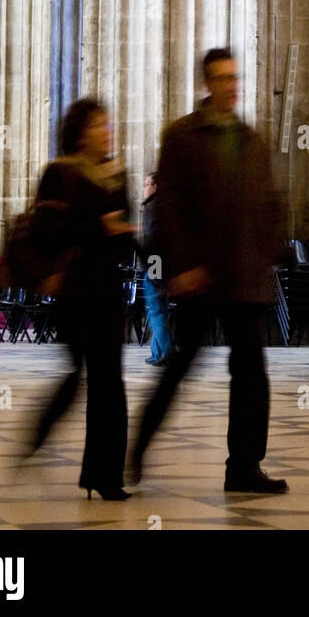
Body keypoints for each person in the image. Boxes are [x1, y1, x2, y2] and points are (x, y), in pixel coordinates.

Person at [130, 48, 288, 494]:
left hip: (244, 276)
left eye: (235, 77)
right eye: (221, 78)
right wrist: (180, 266)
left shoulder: (251, 138)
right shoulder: (181, 136)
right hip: (199, 276)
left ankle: (244, 465)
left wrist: (268, 250)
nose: (230, 86)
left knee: (252, 374)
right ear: (206, 83)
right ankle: (137, 446)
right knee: (180, 366)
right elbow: (168, 208)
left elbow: (267, 202)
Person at [27, 98, 133, 501]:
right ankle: (39, 434)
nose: (107, 131)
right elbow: (48, 231)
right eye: (98, 125)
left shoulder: (117, 173)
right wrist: (98, 226)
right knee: (77, 377)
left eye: (108, 123)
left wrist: (125, 234)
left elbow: (122, 233)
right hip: (75, 291)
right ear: (79, 131)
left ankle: (107, 476)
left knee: (110, 383)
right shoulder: (61, 173)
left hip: (108, 289)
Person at [140, 173, 172, 366]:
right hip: (159, 263)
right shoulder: (162, 208)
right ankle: (157, 352)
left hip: (154, 263)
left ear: (156, 187)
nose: (144, 188)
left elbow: (153, 240)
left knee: (156, 309)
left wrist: (152, 269)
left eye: (147, 184)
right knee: (156, 309)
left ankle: (166, 351)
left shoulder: (152, 208)